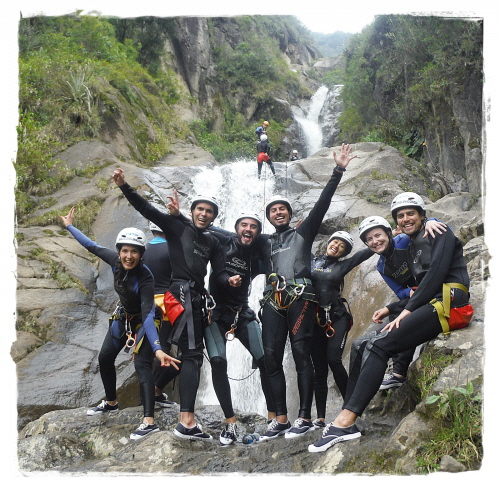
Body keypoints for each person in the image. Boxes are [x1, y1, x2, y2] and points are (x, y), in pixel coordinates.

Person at [308, 191, 473, 453]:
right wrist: (394, 308)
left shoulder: (437, 231)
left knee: (380, 344)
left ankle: (345, 422)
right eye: (401, 215)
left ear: (421, 214)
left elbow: (437, 273)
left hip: (451, 303)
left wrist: (407, 310)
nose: (406, 218)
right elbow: (414, 284)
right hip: (435, 302)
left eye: (411, 213)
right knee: (371, 343)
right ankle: (345, 417)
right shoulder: (411, 240)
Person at [112, 168, 238, 441]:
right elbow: (147, 210)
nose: (204, 214)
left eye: (209, 211)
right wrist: (125, 186)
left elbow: (219, 272)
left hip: (196, 298)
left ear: (215, 216)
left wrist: (231, 281)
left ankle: (185, 418)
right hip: (178, 295)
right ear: (192, 212)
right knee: (191, 355)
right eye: (200, 209)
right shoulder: (175, 227)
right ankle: (186, 421)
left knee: (191, 357)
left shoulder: (213, 242)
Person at [258, 143, 358, 440]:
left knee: (302, 354)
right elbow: (231, 238)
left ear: (289, 214)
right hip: (272, 303)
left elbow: (323, 204)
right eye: (273, 210)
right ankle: (281, 419)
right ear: (269, 216)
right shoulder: (264, 242)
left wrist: (338, 170)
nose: (278, 212)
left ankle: (304, 417)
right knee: (271, 357)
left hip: (301, 299)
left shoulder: (302, 233)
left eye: (282, 209)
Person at [60, 207, 180, 440]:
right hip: (124, 316)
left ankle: (149, 421)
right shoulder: (114, 261)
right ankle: (111, 402)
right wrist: (69, 226)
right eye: (125, 251)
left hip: (146, 319)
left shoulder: (146, 278)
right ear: (119, 251)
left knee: (142, 365)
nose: (128, 256)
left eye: (134, 252)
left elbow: (147, 315)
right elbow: (91, 245)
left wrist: (157, 349)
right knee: (105, 357)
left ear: (141, 254)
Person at [167, 192, 275, 445]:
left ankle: (273, 419)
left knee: (266, 361)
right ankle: (230, 423)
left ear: (258, 231)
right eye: (244, 225)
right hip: (215, 313)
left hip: (243, 312)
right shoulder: (217, 243)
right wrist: (178, 215)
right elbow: (197, 225)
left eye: (253, 227)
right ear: (236, 228)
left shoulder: (256, 255)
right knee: (217, 362)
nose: (248, 230)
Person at [358, 214, 446, 390]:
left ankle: (397, 372)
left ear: (388, 234)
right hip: (416, 295)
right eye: (370, 239)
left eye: (378, 235)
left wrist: (432, 221)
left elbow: (419, 226)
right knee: (396, 317)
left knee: (401, 319)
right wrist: (408, 292)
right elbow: (399, 291)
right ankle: (397, 372)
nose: (375, 241)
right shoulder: (382, 267)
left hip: (435, 286)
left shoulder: (404, 241)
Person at [310, 231, 374, 429]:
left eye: (342, 246)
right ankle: (320, 417)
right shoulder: (311, 261)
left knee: (333, 360)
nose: (337, 246)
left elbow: (362, 255)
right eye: (335, 242)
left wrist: (387, 237)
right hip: (315, 321)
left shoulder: (342, 265)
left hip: (337, 318)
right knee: (319, 368)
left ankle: (350, 407)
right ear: (329, 243)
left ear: (344, 252)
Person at [142, 221, 179, 407]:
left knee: (149, 352)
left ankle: (152, 393)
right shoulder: (172, 249)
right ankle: (155, 392)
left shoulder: (143, 250)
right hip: (165, 305)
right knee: (164, 349)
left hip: (145, 304)